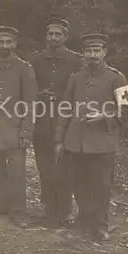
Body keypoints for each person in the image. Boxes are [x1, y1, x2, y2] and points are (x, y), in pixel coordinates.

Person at [54, 33, 128, 241]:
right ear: (83, 53)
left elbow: (127, 112)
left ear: (104, 52)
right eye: (88, 51)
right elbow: (65, 108)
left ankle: (100, 225)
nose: (92, 55)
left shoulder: (117, 78)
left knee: (101, 186)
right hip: (76, 142)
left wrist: (103, 116)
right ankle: (84, 219)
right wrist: (59, 139)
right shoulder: (76, 77)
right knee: (79, 183)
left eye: (96, 50)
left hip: (102, 143)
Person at [0, 26, 38, 227]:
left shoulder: (24, 69)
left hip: (15, 129)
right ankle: (1, 204)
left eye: (8, 42)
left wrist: (26, 130)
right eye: (0, 42)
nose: (4, 46)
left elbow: (31, 103)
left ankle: (19, 212)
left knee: (17, 172)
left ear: (14, 44)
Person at [29, 17, 84, 226]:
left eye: (58, 34)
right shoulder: (35, 60)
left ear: (65, 37)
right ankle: (49, 207)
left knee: (64, 166)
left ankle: (65, 208)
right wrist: (38, 95)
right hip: (42, 119)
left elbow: (81, 88)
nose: (53, 38)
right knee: (44, 164)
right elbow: (28, 88)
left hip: (66, 120)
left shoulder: (76, 60)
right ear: (46, 36)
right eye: (50, 34)